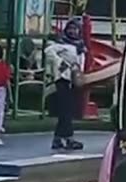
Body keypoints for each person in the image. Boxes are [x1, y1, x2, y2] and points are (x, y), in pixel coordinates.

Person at [45, 18, 85, 150]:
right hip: (63, 79)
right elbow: (48, 52)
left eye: (75, 29)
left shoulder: (80, 45)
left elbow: (81, 62)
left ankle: (57, 138)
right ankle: (69, 138)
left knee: (68, 110)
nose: (73, 31)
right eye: (70, 29)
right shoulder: (61, 43)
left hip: (74, 80)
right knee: (65, 110)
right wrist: (61, 64)